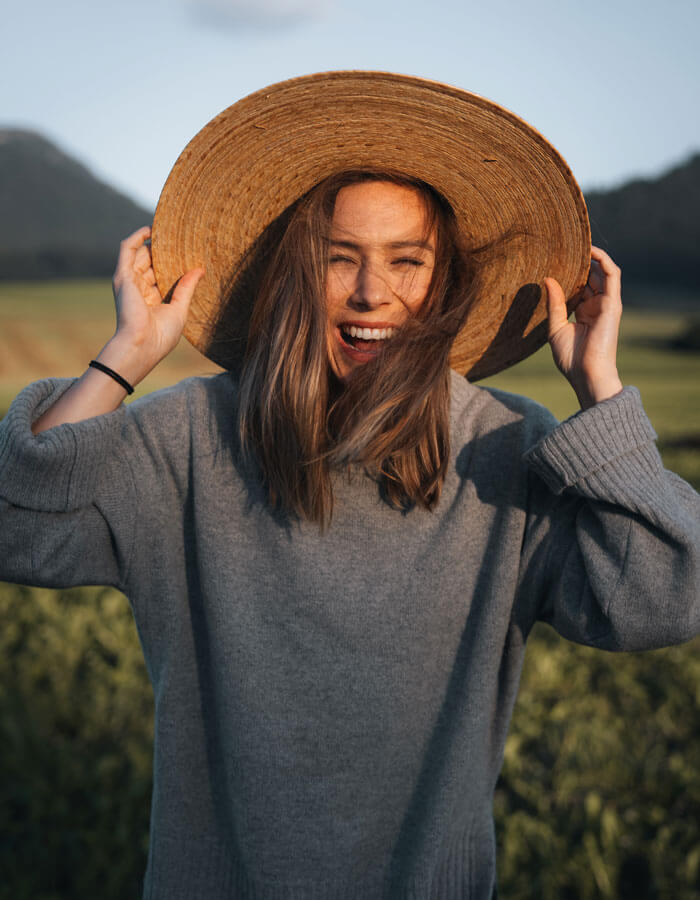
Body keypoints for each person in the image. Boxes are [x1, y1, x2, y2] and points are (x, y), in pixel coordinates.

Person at [1, 72, 698, 900]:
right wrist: (124, 358)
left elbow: (666, 598)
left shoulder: (507, 452)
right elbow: (18, 528)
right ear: (297, 273)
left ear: (442, 283)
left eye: (407, 261)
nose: (373, 294)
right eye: (340, 260)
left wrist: (601, 391)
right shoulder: (187, 438)